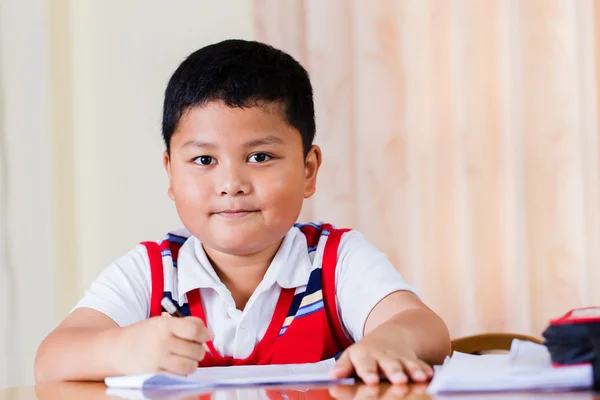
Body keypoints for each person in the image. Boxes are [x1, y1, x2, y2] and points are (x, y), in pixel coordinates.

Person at [35, 39, 451, 385]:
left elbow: (427, 328)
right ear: (170, 174)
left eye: (260, 156)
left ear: (308, 170)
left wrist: (391, 340)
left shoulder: (335, 260)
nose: (231, 183)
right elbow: (52, 359)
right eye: (203, 161)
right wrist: (124, 349)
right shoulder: (153, 270)